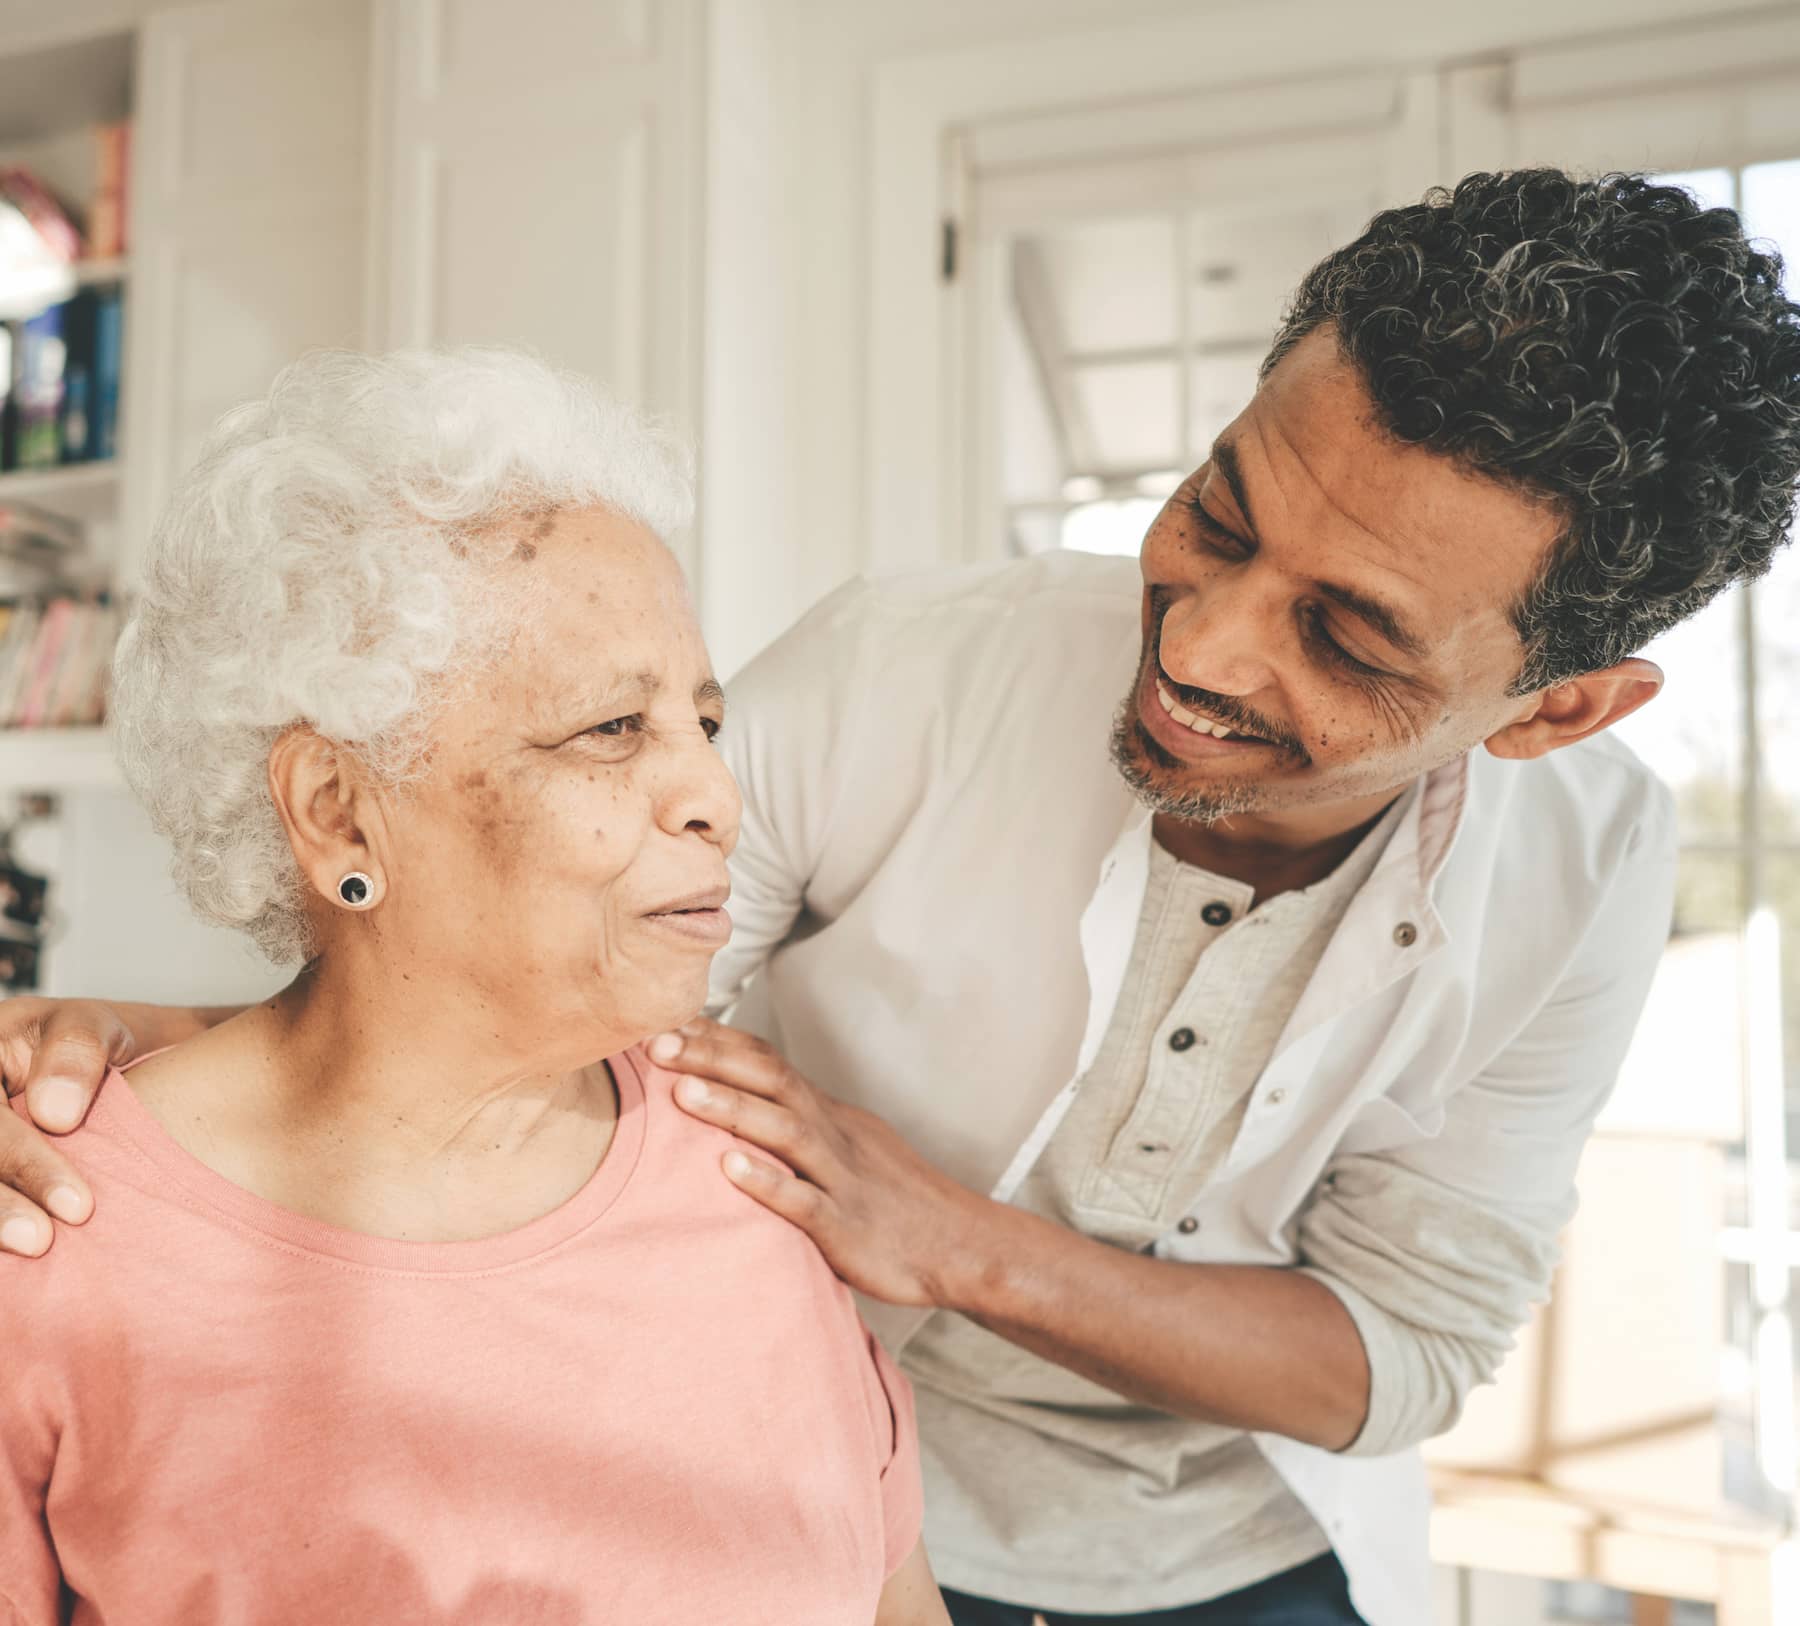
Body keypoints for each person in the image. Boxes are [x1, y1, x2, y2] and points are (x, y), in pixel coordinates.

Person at [6, 170, 1800, 1626]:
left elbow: (1401, 1348)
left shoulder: (1592, 875)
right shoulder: (908, 670)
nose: (1198, 642)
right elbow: (523, 938)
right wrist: (186, 1079)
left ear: (1555, 709)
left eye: (1347, 633)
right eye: (1220, 515)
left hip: (1227, 1554)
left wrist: (948, 1239)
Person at [0, 348, 947, 1626]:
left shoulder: (755, 1166)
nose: (717, 799)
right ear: (338, 815)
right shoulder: (52, 1248)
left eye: (705, 724)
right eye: (614, 728)